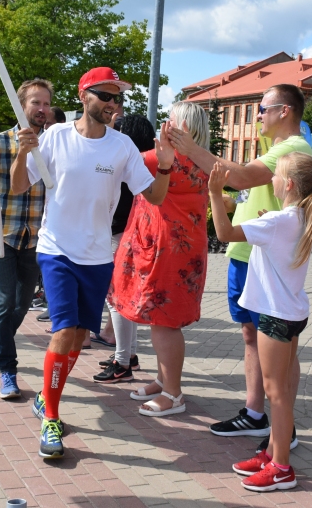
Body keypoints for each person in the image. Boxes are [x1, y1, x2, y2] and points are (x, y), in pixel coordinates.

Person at [10, 66, 174, 460]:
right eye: (105, 95)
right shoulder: (55, 137)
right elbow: (17, 185)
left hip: (98, 256)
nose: (113, 103)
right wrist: (22, 152)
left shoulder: (122, 146)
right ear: (84, 96)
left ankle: (46, 397)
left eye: (118, 97)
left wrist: (166, 165)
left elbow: (154, 196)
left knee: (80, 336)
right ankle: (51, 417)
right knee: (65, 331)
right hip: (57, 249)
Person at [169, 84, 312, 451]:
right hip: (246, 252)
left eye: (263, 108)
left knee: (281, 346)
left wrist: (190, 148)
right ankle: (255, 414)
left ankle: (283, 429)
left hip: (262, 258)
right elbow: (249, 186)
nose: (258, 115)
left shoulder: (293, 148)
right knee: (252, 335)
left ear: (284, 111)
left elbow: (242, 177)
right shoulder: (273, 145)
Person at [209, 151, 312, 492]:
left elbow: (224, 232)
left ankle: (281, 468)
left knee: (276, 394)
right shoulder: (299, 216)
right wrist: (267, 221)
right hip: (292, 313)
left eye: (276, 174)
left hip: (275, 317)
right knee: (283, 391)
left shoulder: (278, 222)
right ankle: (274, 454)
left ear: (287, 184)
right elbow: (277, 238)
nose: (270, 178)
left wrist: (215, 193)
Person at [103, 103, 211, 419]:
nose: (164, 125)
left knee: (164, 324)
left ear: (183, 128)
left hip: (166, 250)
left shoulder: (161, 159)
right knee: (165, 321)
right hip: (185, 248)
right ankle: (164, 382)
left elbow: (115, 162)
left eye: (171, 121)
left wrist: (108, 131)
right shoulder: (205, 160)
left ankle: (173, 394)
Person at [0, 79, 52, 399]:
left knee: (22, 303)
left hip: (36, 236)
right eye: (36, 102)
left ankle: (0, 343)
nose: (42, 109)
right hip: (3, 234)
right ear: (21, 106)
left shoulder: (53, 144)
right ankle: (8, 368)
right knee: (5, 300)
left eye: (46, 103)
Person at [93, 115, 157, 372]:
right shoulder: (148, 164)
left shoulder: (124, 161)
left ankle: (122, 360)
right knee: (126, 297)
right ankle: (129, 354)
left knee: (116, 298)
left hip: (118, 235)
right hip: (135, 235)